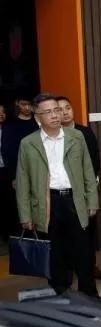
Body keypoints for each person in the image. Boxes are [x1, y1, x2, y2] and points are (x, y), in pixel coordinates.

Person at [16, 93, 98, 296]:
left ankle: (89, 294)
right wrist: (25, 215)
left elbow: (88, 170)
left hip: (74, 199)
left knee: (83, 250)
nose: (54, 115)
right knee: (55, 252)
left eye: (57, 110)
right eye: (48, 112)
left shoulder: (76, 137)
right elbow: (23, 181)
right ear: (37, 116)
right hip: (47, 202)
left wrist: (92, 200)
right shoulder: (28, 143)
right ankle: (60, 293)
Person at [57, 96, 101, 280]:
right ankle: (68, 269)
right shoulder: (53, 135)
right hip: (63, 192)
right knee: (65, 234)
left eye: (67, 107)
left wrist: (90, 186)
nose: (65, 112)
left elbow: (94, 158)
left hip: (85, 190)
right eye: (60, 109)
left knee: (87, 232)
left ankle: (89, 267)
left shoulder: (85, 132)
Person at [1, 98, 39, 236]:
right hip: (20, 172)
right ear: (17, 105)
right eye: (24, 104)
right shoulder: (10, 126)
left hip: (40, 171)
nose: (27, 107)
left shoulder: (38, 122)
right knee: (21, 206)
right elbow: (7, 152)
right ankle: (24, 238)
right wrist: (14, 176)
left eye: (29, 104)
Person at [0, 104, 9, 241]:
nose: (1, 114)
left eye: (3, 111)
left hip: (6, 171)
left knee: (6, 202)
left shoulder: (9, 129)